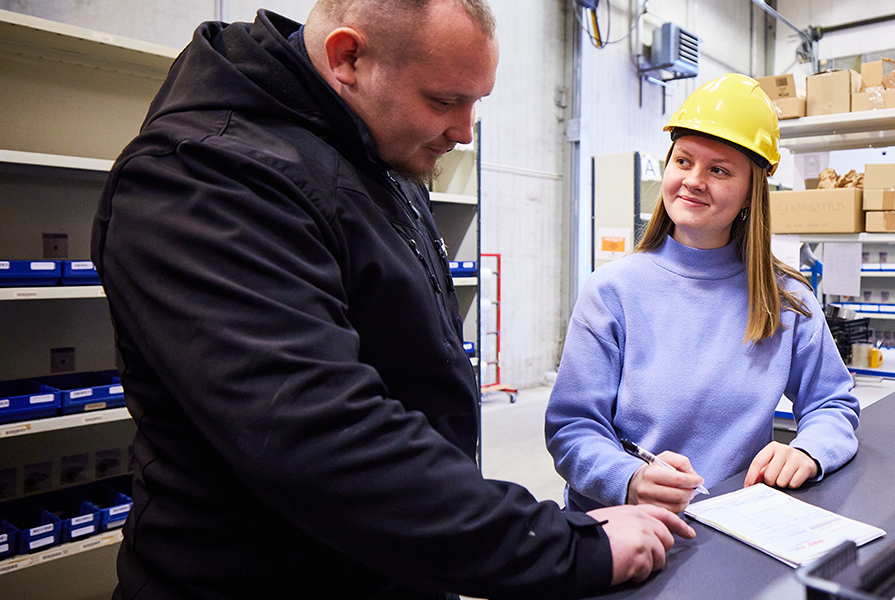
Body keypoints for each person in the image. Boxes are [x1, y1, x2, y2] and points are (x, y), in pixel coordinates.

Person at [91, 1, 691, 597]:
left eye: (475, 101)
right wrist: (562, 545)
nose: (464, 131)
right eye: (444, 101)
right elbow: (319, 438)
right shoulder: (206, 177)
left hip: (387, 568)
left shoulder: (369, 156)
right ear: (348, 58)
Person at [545, 74, 861, 514]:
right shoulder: (612, 291)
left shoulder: (786, 300)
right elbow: (572, 428)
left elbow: (832, 403)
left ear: (752, 190)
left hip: (734, 528)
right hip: (624, 527)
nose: (693, 180)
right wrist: (629, 478)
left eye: (718, 170)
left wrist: (808, 451)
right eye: (683, 161)